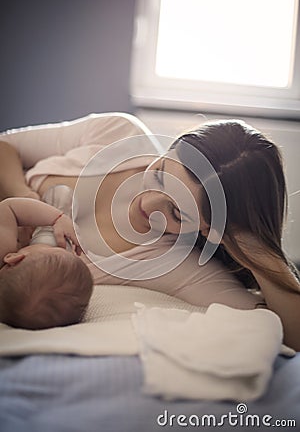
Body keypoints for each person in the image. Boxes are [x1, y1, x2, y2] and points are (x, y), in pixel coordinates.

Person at [0, 113, 299, 350]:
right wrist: (23, 196)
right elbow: (6, 146)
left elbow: (291, 335)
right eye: (159, 175)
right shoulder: (118, 133)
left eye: (176, 213)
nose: (147, 203)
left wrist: (255, 247)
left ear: (209, 231)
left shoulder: (173, 265)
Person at [0, 197, 93, 330]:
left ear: (14, 258)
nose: (60, 244)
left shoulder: (3, 247)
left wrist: (57, 218)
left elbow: (8, 208)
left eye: (51, 248)